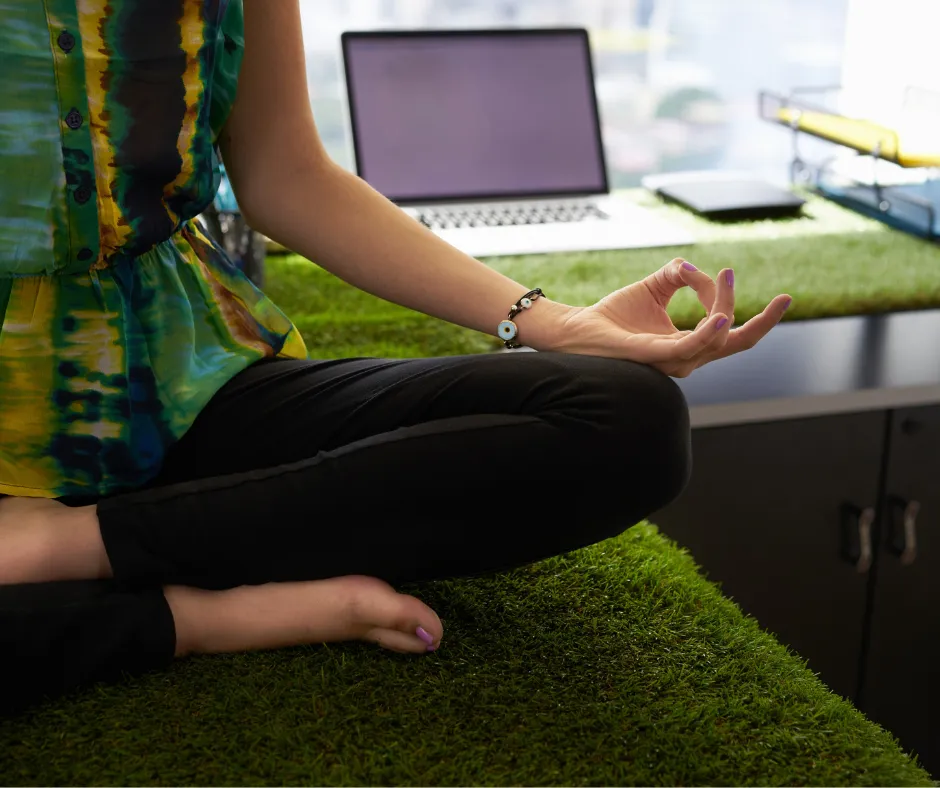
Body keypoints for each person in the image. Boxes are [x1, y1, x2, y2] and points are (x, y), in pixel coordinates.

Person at [0, 0, 791, 716]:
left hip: (181, 385)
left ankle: (68, 547)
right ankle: (213, 615)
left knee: (630, 421)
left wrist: (549, 321)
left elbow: (286, 175)